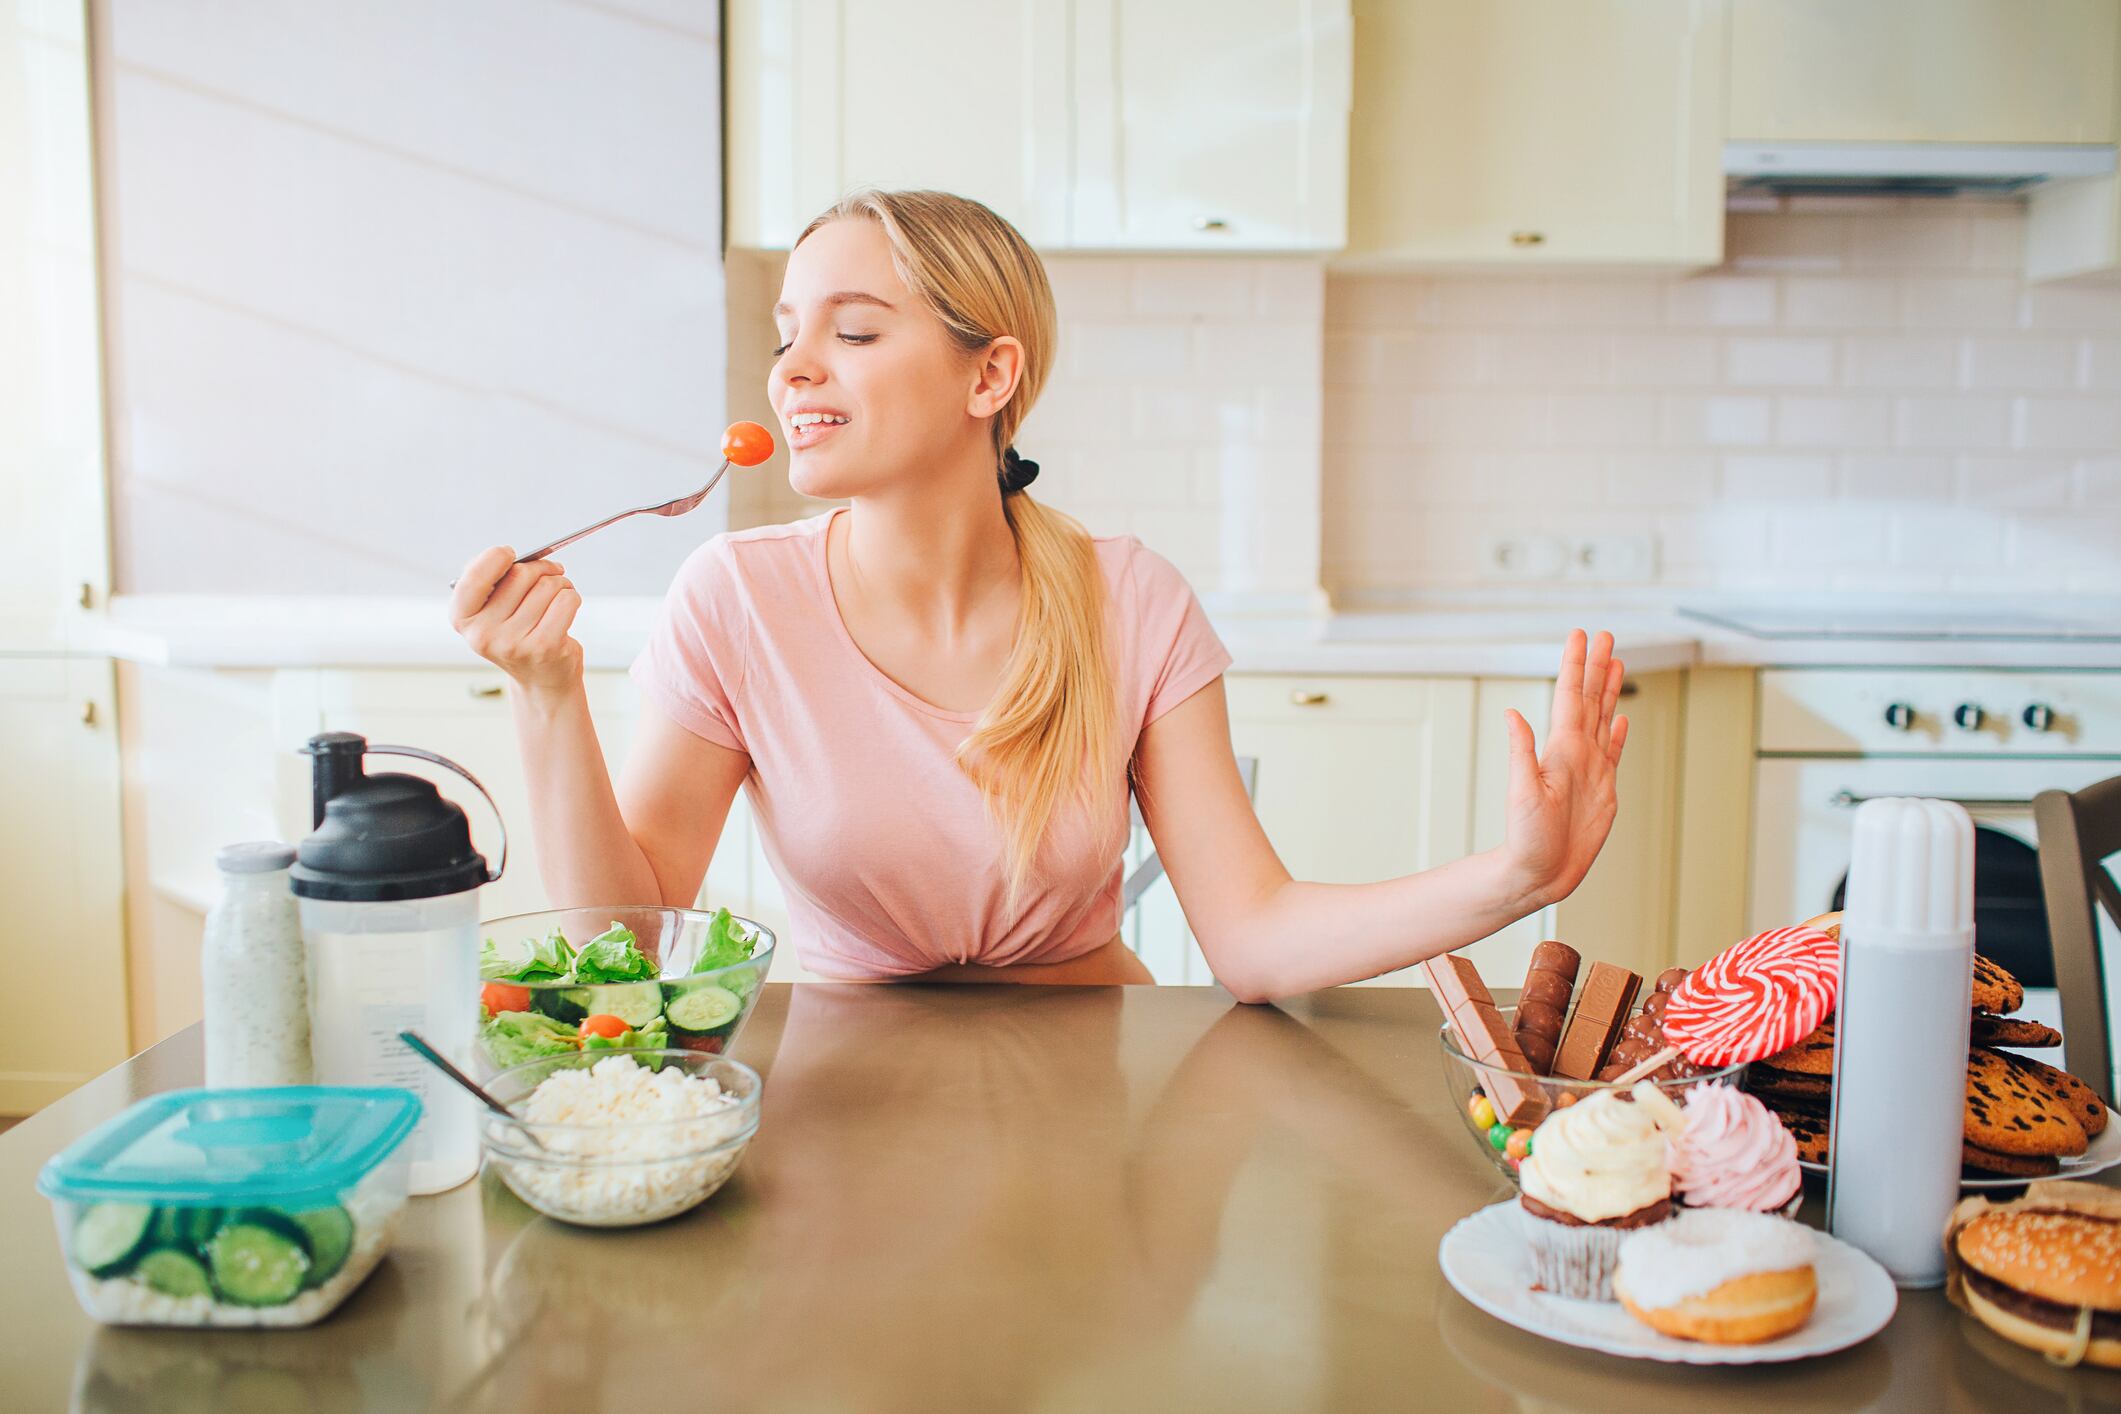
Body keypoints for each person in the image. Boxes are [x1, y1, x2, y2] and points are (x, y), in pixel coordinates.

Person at [450, 189, 1629, 999]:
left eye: (854, 331)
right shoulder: (735, 599)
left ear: (990, 373)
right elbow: (630, 942)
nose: (794, 367)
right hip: (848, 1097)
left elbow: (1256, 939)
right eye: (787, 334)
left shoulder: (1130, 600)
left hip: (1100, 1079)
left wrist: (1517, 877)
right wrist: (547, 695)